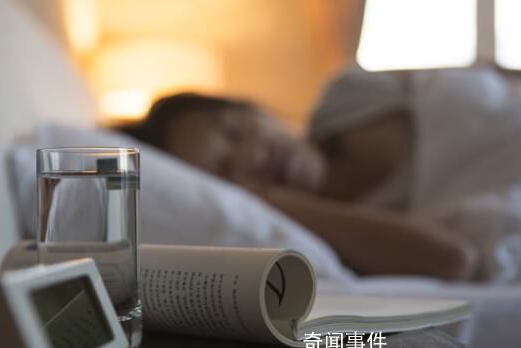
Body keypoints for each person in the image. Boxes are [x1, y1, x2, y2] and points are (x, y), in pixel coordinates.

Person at [116, 92, 476, 280]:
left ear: (255, 108)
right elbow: (453, 260)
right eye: (225, 172)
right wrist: (270, 200)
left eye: (235, 130)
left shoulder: (355, 95)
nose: (256, 156)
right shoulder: (328, 244)